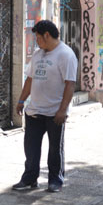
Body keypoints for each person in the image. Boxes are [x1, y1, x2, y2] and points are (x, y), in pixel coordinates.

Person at [12, 20, 77, 193]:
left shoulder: (66, 55)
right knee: (31, 149)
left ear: (47, 35)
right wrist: (21, 101)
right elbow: (30, 79)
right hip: (34, 111)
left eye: (38, 38)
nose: (37, 41)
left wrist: (62, 110)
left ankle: (55, 180)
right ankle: (30, 178)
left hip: (54, 112)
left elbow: (70, 84)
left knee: (55, 149)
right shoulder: (37, 54)